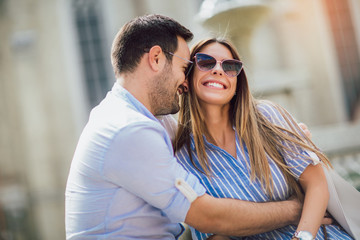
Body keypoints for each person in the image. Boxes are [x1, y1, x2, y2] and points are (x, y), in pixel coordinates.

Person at [65, 14, 328, 239]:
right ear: (156, 59)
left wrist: (285, 137)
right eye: (186, 67)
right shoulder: (129, 129)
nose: (183, 82)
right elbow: (210, 217)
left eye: (230, 67)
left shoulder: (149, 120)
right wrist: (294, 209)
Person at [174, 37, 353, 240]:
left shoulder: (268, 116)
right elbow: (214, 233)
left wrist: (301, 237)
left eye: (230, 66)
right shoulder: (183, 156)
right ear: (188, 76)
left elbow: (317, 184)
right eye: (205, 62)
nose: (218, 70)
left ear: (237, 83)